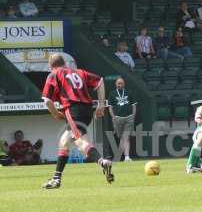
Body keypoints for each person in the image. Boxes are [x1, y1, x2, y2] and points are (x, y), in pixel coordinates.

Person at [41, 53, 114, 189]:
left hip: (73, 109)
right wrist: (101, 105)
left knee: (80, 142)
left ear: (51, 66)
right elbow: (100, 81)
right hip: (87, 109)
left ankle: (102, 162)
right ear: (64, 62)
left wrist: (56, 113)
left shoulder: (54, 74)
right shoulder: (79, 72)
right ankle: (56, 179)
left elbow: (47, 100)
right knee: (64, 142)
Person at [108, 77, 136, 162]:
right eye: (118, 83)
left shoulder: (129, 93)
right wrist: (113, 117)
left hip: (128, 118)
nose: (120, 85)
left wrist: (133, 115)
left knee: (126, 137)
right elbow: (110, 107)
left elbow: (134, 105)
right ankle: (122, 156)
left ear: (124, 84)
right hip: (118, 118)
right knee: (122, 138)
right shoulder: (112, 94)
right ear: (116, 84)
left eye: (121, 83)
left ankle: (127, 157)